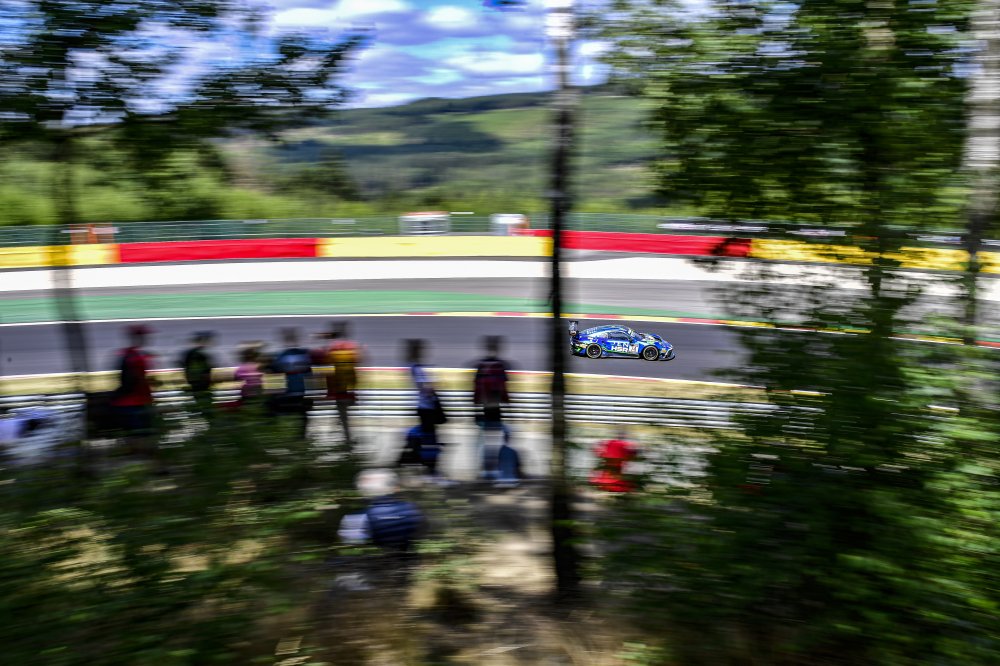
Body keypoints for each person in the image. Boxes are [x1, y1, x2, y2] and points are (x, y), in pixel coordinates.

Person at [111, 324, 158, 460]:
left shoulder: (126, 354)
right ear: (137, 338)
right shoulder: (137, 358)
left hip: (128, 403)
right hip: (135, 403)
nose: (146, 338)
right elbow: (135, 381)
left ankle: (138, 456)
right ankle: (141, 457)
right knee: (142, 434)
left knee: (138, 434)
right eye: (143, 336)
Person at [472, 336, 513, 477]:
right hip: (494, 408)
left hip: (486, 408)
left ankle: (486, 468)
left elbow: (476, 390)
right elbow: (503, 389)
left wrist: (475, 410)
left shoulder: (482, 365)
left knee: (487, 441)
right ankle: (493, 467)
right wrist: (509, 407)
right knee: (496, 440)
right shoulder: (499, 366)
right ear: (497, 348)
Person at [268, 328, 313, 438]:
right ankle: (301, 437)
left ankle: (284, 437)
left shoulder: (279, 357)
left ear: (283, 340)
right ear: (297, 339)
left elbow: (273, 384)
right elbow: (311, 378)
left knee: (272, 409)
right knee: (303, 415)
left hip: (286, 397)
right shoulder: (305, 355)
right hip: (302, 397)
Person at [323, 321, 363, 446]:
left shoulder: (331, 348)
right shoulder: (353, 347)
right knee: (345, 414)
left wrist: (329, 391)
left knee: (343, 416)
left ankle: (346, 439)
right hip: (349, 388)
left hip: (338, 389)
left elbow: (328, 370)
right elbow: (357, 363)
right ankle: (345, 437)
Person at [179, 331, 215, 418]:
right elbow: (207, 371)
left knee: (200, 403)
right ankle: (207, 418)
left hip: (193, 382)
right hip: (203, 384)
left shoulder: (188, 353)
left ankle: (204, 416)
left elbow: (184, 366)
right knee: (206, 406)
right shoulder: (202, 354)